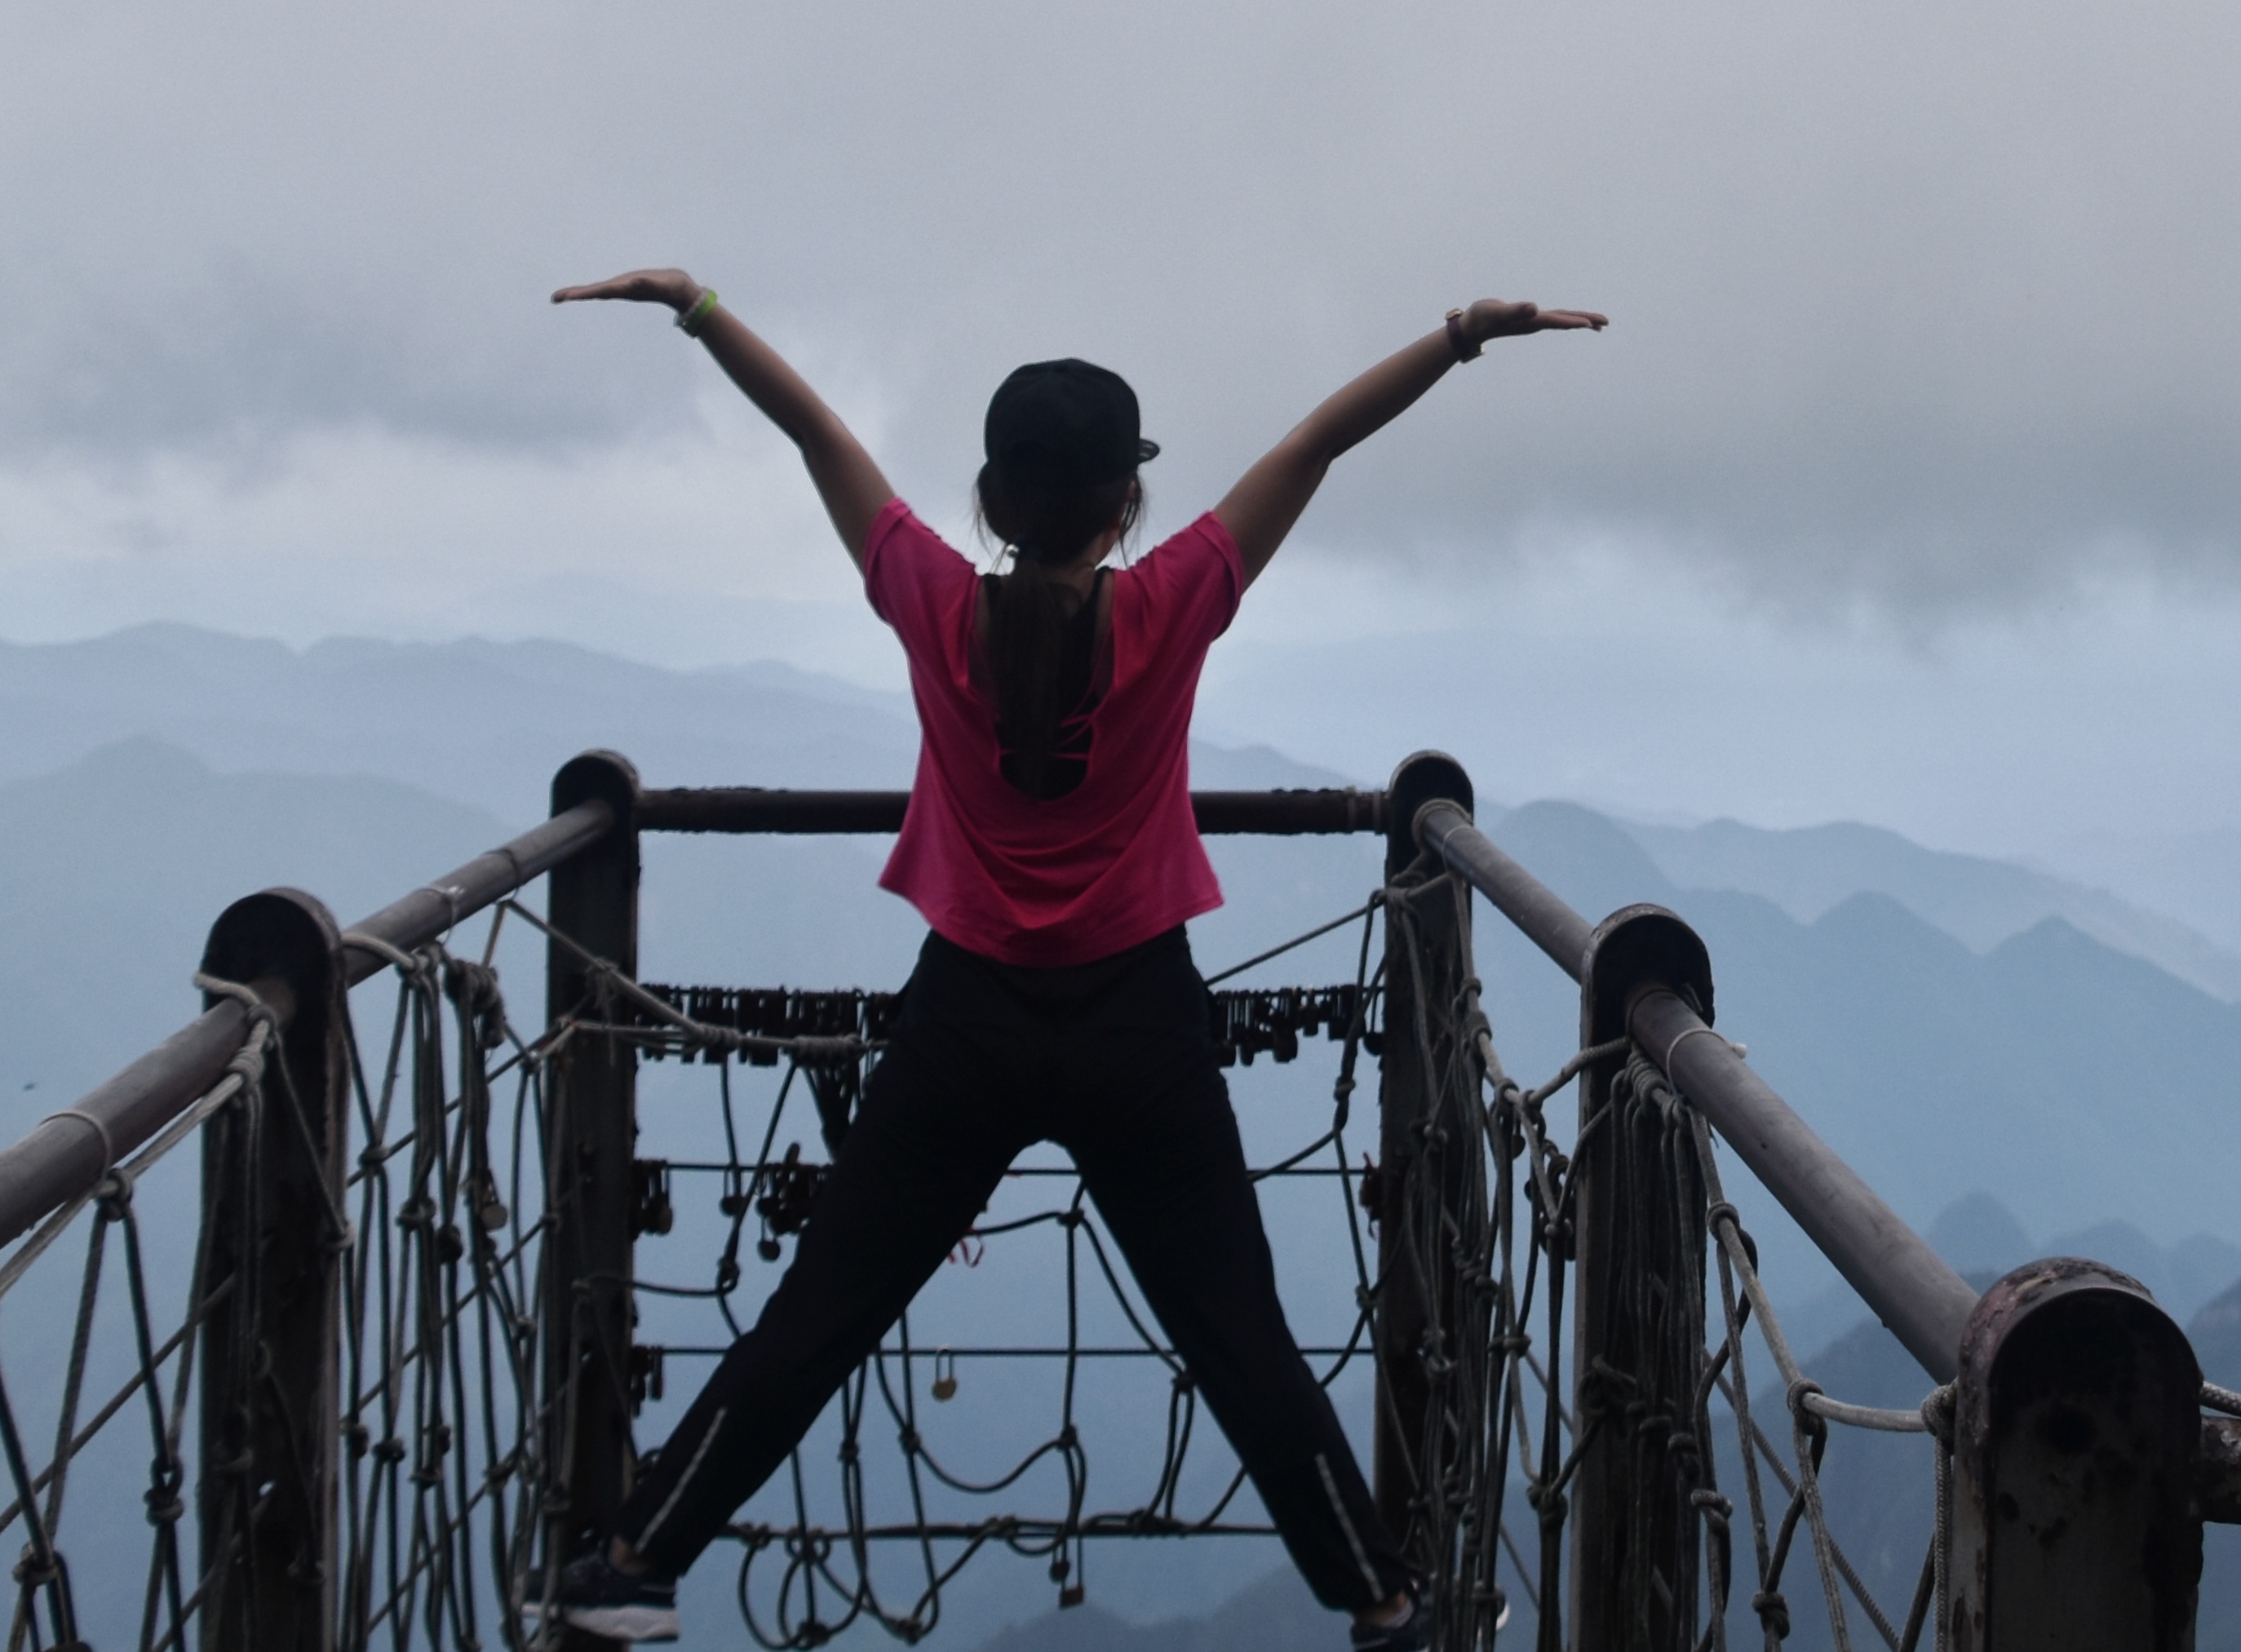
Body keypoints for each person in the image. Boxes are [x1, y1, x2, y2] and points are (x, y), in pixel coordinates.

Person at [541, 270, 1608, 1646]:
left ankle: (636, 1566)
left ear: (991, 502)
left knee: (820, 1314)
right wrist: (1459, 338)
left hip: (965, 1021)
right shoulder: (1175, 602)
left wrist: (696, 307)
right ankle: (1389, 1603)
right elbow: (1315, 445)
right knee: (1236, 1337)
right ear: (1124, 505)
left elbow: (815, 433)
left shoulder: (930, 599)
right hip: (1137, 1024)